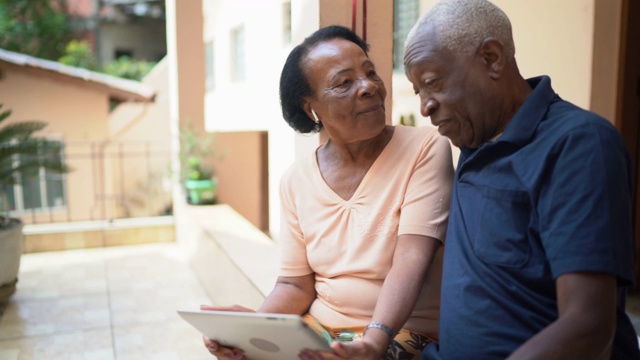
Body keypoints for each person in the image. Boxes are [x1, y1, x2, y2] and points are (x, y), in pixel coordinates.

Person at [402, 0, 640, 359]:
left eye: (432, 83)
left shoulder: (577, 144)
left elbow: (589, 326)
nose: (424, 106)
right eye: (418, 91)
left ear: (492, 58)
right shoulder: (474, 139)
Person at [201, 25, 454, 360]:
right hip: (319, 330)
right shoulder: (295, 180)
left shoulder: (425, 148)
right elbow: (294, 285)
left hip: (406, 332)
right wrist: (256, 332)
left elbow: (411, 258)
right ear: (311, 108)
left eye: (370, 72)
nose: (368, 87)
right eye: (344, 82)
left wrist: (375, 340)